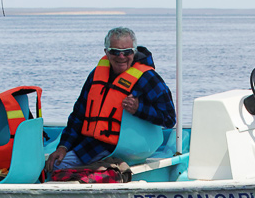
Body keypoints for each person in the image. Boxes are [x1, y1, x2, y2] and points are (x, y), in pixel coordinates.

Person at [44, 27, 176, 175]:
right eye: (115, 51)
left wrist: (140, 108)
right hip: (93, 147)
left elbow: (170, 119)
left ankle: (103, 169)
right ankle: (98, 169)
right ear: (106, 52)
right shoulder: (96, 74)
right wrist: (63, 147)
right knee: (52, 165)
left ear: (134, 51)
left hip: (128, 151)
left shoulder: (149, 78)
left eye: (127, 52)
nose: (121, 56)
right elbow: (78, 115)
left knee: (57, 170)